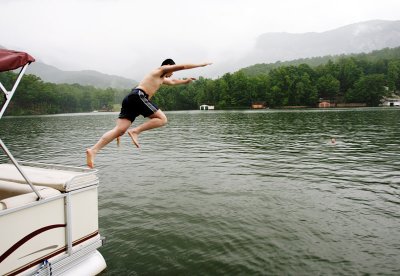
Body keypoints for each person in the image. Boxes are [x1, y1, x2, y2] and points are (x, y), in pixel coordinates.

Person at [86, 59, 212, 168]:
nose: (171, 74)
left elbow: (173, 82)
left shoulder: (161, 78)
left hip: (131, 98)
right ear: (168, 66)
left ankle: (93, 150)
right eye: (171, 71)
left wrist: (185, 81)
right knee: (162, 119)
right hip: (139, 96)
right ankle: (135, 131)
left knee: (119, 130)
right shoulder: (161, 69)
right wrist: (201, 65)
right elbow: (182, 66)